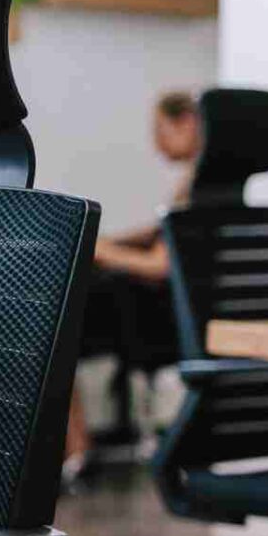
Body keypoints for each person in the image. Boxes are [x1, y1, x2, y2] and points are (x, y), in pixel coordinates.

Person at [63, 91, 201, 478]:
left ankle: (76, 452)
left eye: (160, 130)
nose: (157, 144)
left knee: (55, 323)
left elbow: (160, 264)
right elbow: (160, 233)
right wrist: (102, 241)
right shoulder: (204, 182)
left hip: (161, 315)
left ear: (186, 122)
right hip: (164, 308)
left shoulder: (198, 187)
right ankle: (76, 452)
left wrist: (103, 253)